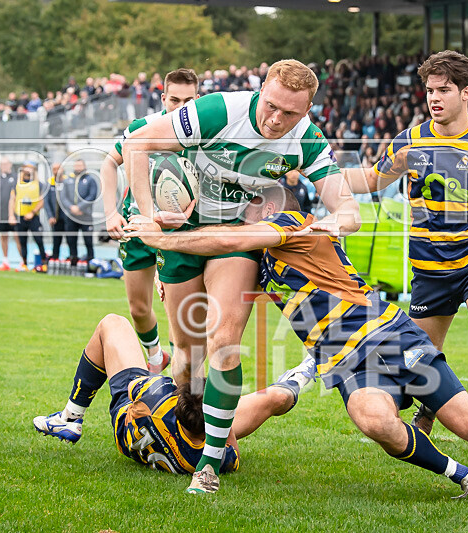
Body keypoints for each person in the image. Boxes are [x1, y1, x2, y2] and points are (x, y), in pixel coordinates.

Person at [125, 187, 468, 504]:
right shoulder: (259, 256)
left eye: (247, 207)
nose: (240, 216)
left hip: (390, 338)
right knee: (375, 421)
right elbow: (223, 290)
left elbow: (228, 238)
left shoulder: (292, 223)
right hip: (348, 363)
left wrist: (162, 238)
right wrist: (177, 279)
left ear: (267, 209)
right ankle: (465, 477)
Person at [124, 59, 360, 492]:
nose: (276, 120)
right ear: (261, 89)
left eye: (291, 113)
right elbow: (138, 143)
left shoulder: (305, 138)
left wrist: (339, 220)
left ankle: (208, 464)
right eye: (271, 106)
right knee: (188, 356)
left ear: (307, 109)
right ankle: (201, 421)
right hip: (182, 236)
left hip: (236, 240)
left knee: (224, 338)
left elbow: (347, 206)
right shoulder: (216, 111)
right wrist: (147, 216)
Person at [342, 50, 468, 435]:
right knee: (419, 360)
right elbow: (371, 180)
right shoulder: (409, 142)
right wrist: (318, 170)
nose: (434, 98)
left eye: (443, 89)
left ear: (466, 93)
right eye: (429, 90)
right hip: (429, 268)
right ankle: (428, 411)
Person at [32, 313, 308, 478]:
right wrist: (224, 414)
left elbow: (137, 385)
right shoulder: (211, 460)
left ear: (179, 398)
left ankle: (71, 417)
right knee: (277, 400)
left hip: (128, 420)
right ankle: (308, 369)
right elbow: (232, 449)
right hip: (184, 436)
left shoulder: (159, 396)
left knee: (111, 324)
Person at [101, 68, 200, 374]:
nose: (180, 106)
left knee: (178, 316)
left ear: (198, 99)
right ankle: (156, 357)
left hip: (179, 234)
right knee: (139, 309)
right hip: (138, 226)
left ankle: (175, 386)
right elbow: (108, 164)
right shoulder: (143, 127)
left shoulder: (205, 134)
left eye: (188, 100)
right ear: (163, 97)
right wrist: (110, 213)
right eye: (174, 99)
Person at [8, 161, 47, 272]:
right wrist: (11, 215)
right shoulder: (17, 184)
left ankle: (44, 263)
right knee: (22, 241)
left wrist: (33, 212)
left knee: (39, 240)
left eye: (31, 168)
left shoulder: (38, 184)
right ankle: (24, 264)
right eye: (26, 167)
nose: (28, 170)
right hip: (20, 217)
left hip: (33, 217)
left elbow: (42, 200)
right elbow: (12, 200)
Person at [60, 159, 98, 264]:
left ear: (84, 166)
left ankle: (91, 261)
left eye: (80, 165)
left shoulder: (90, 180)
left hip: (85, 216)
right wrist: (72, 208)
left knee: (88, 240)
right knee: (71, 240)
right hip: (71, 216)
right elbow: (63, 197)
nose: (78, 167)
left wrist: (80, 208)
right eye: (76, 165)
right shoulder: (67, 180)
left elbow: (92, 196)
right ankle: (73, 260)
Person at [0, 157, 21, 271]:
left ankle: (23, 261)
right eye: (2, 164)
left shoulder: (17, 178)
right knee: (3, 237)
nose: (4, 166)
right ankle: (5, 261)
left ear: (10, 164)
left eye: (6, 164)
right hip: (0, 214)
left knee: (17, 237)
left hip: (15, 214)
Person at [45, 162, 68, 261]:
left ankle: (72, 260)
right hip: (56, 218)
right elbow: (46, 202)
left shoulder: (68, 181)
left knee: (71, 240)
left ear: (62, 169)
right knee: (56, 240)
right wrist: (50, 216)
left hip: (68, 218)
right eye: (54, 169)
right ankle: (55, 259)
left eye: (58, 169)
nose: (57, 171)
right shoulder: (49, 184)